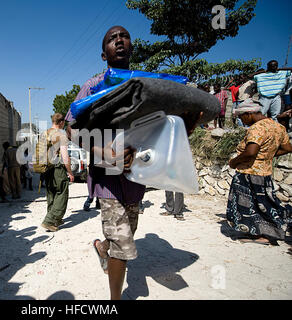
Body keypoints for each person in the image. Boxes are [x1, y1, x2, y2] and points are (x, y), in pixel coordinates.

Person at [65, 26, 202, 300]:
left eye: (124, 36)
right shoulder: (94, 85)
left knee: (128, 230)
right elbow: (71, 128)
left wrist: (190, 121)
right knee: (123, 242)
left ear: (131, 46)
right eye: (112, 38)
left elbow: (167, 131)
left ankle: (103, 248)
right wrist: (104, 152)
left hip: (137, 174)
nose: (119, 40)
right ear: (103, 54)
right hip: (107, 176)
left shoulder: (148, 85)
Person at [227, 99, 292, 245]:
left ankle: (261, 233)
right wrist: (267, 156)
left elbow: (251, 152)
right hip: (265, 173)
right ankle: (263, 234)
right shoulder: (277, 127)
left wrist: (234, 162)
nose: (242, 120)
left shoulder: (257, 128)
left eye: (241, 117)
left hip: (249, 173)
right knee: (263, 203)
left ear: (249, 114)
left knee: (249, 205)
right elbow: (288, 148)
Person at [41, 113, 74, 231]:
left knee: (51, 193)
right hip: (57, 167)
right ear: (61, 123)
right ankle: (49, 220)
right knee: (62, 191)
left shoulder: (44, 133)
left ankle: (55, 218)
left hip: (46, 167)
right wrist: (70, 172)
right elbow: (65, 156)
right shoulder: (61, 134)